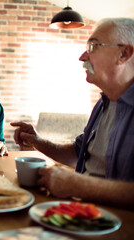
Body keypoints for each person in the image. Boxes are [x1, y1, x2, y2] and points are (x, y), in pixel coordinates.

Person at [11, 18, 134, 209]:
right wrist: (37, 140)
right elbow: (77, 154)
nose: (83, 57)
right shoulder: (103, 103)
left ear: (124, 53)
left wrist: (77, 185)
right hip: (82, 213)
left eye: (93, 46)